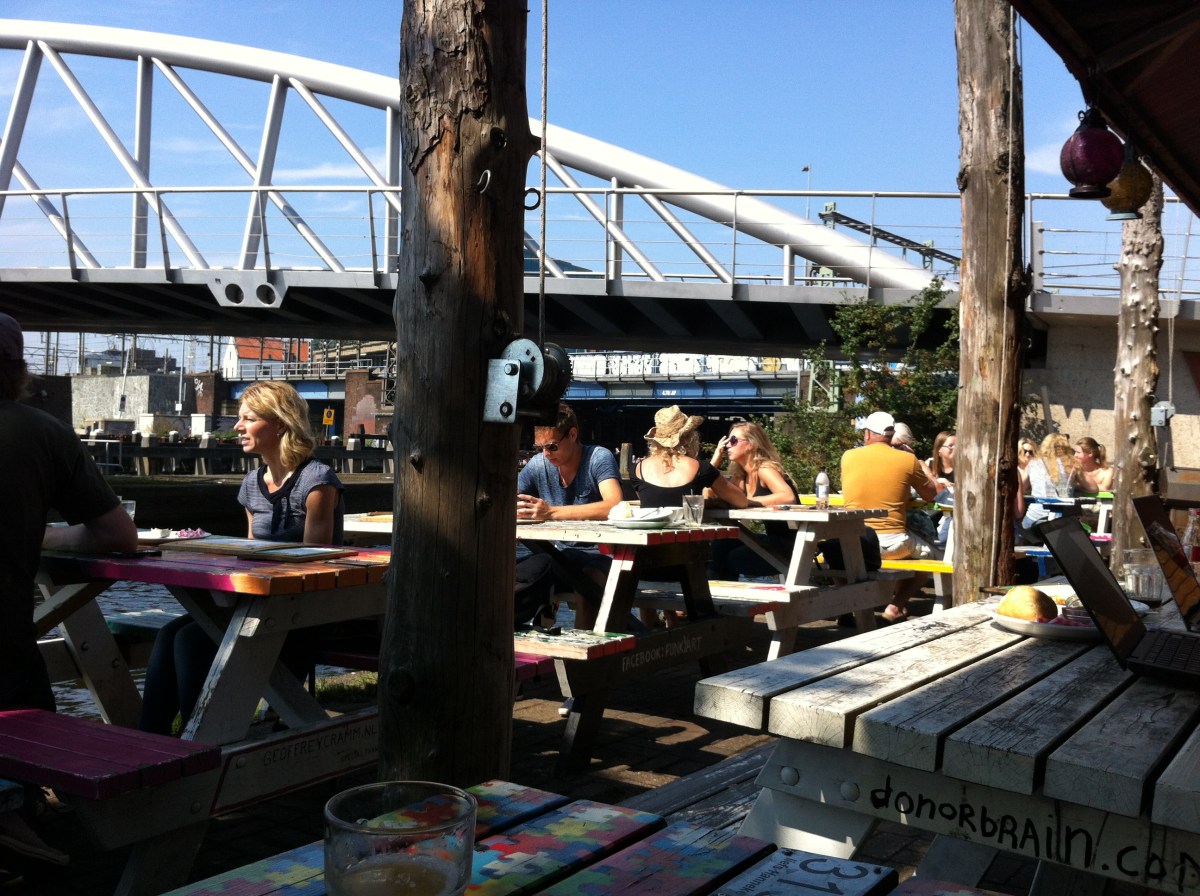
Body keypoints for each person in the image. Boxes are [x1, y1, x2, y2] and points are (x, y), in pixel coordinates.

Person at [0, 313, 137, 865]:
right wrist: (47, 532)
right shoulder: (39, 432)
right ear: (18, 370)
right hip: (3, 648)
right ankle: (18, 813)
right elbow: (117, 535)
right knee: (23, 694)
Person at [140, 381, 346, 735]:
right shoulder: (252, 484)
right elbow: (251, 554)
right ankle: (150, 741)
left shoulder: (317, 482)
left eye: (248, 419)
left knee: (191, 641)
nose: (237, 427)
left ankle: (201, 742)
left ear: (278, 423)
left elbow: (315, 564)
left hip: (304, 611)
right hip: (259, 601)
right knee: (169, 634)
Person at [632, 406, 748, 625]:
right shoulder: (700, 468)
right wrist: (711, 501)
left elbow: (656, 503)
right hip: (686, 564)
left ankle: (650, 627)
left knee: (650, 553)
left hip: (645, 564)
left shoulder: (638, 469)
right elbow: (740, 501)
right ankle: (678, 625)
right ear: (689, 437)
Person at [516, 402, 622, 630]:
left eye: (552, 446)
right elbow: (509, 498)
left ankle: (583, 648)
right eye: (540, 448)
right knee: (510, 575)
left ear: (573, 435)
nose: (546, 454)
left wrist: (551, 512)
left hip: (601, 556)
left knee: (588, 582)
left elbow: (614, 504)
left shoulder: (598, 458)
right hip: (557, 555)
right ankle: (527, 643)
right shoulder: (538, 464)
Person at [841, 410, 939, 623]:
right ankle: (895, 606)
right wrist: (919, 463)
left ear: (868, 434)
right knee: (932, 557)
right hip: (892, 543)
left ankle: (846, 609)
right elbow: (931, 494)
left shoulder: (848, 457)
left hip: (856, 541)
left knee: (839, 555)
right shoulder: (907, 460)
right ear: (891, 435)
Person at [706, 421, 799, 580]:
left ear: (752, 444)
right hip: (772, 540)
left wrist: (748, 501)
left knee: (732, 557)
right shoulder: (742, 476)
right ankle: (713, 594)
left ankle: (714, 594)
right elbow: (708, 494)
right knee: (721, 543)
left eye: (733, 441)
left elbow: (788, 497)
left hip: (793, 546)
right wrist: (713, 464)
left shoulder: (764, 468)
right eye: (727, 441)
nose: (727, 445)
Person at [1019, 432, 1075, 543]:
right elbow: (1093, 488)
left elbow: (1022, 487)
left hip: (1034, 518)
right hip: (1062, 521)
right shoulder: (1072, 465)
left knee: (1022, 533)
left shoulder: (1033, 463)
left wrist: (1035, 486)